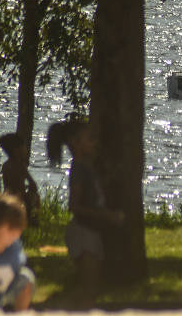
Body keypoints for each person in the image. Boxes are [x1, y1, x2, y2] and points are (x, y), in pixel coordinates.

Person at [46, 121, 124, 308]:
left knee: (92, 289)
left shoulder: (87, 167)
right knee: (87, 289)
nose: (94, 143)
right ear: (75, 142)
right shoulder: (79, 168)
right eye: (89, 139)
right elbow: (74, 206)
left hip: (91, 232)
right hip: (83, 233)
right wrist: (107, 216)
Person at [0, 133, 40, 227]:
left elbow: (8, 183)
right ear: (16, 150)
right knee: (35, 197)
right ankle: (32, 218)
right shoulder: (20, 165)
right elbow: (32, 183)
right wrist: (30, 188)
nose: (25, 149)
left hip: (7, 194)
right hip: (20, 196)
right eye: (24, 147)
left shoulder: (5, 166)